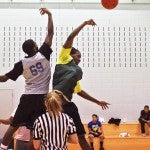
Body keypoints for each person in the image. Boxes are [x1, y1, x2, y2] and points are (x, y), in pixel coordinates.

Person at [0, 7, 54, 150]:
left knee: (13, 126)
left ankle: (3, 148)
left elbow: (4, 78)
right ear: (36, 47)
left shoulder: (21, 64)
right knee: (36, 130)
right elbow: (50, 33)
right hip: (42, 97)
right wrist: (49, 15)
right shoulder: (43, 54)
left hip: (28, 97)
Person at [52, 19, 110, 150]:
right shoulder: (64, 58)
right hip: (55, 104)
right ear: (70, 55)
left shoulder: (75, 77)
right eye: (78, 56)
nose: (79, 59)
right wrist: (84, 23)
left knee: (81, 136)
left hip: (68, 106)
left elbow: (79, 91)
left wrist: (97, 101)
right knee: (52, 136)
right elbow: (71, 36)